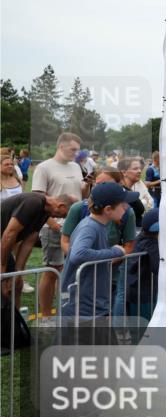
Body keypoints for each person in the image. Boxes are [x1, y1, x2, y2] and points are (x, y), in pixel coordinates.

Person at [61, 168, 138, 317]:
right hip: (84, 307)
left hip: (93, 302)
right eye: (123, 204)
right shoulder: (90, 227)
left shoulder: (99, 225)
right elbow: (78, 254)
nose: (126, 207)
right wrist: (115, 252)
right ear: (108, 209)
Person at [32, 132, 89, 316]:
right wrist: (51, 223)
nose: (76, 153)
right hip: (54, 226)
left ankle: (65, 311)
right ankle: (46, 316)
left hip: (76, 227)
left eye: (78, 150)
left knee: (70, 271)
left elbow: (82, 195)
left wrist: (87, 185)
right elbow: (37, 200)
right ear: (61, 146)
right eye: (73, 149)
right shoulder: (44, 168)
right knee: (51, 272)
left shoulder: (76, 166)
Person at [1, 192, 76, 302]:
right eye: (64, 215)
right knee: (4, 288)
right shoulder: (34, 202)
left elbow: (28, 243)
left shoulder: (45, 213)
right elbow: (9, 235)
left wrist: (18, 273)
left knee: (17, 285)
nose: (62, 218)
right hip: (3, 242)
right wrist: (2, 269)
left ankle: (13, 314)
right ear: (61, 206)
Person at [127, 207, 159, 321]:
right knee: (144, 326)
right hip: (144, 295)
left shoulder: (141, 237)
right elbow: (157, 267)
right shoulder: (151, 244)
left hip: (136, 291)